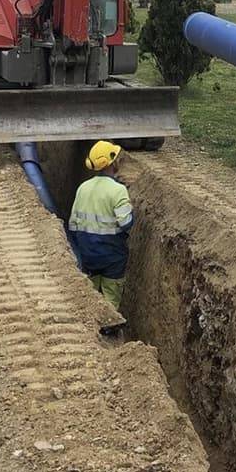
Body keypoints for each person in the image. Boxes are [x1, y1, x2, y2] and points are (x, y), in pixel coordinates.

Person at [69, 140, 134, 335]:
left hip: (87, 251)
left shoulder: (83, 187)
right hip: (112, 253)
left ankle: (90, 324)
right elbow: (126, 223)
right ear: (111, 163)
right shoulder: (118, 190)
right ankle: (109, 329)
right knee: (111, 293)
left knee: (92, 288)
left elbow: (72, 224)